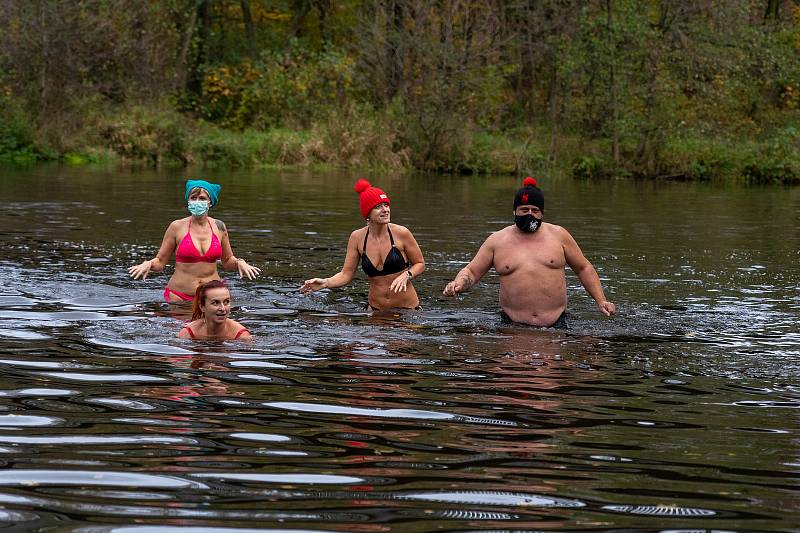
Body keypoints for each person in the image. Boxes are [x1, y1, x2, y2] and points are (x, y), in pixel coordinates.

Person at [443, 177, 615, 327]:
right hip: (511, 324)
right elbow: (472, 271)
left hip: (557, 323)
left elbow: (583, 268)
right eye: (524, 210)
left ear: (542, 213)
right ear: (514, 211)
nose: (530, 215)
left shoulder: (559, 236)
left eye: (535, 210)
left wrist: (601, 300)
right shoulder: (497, 240)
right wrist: (458, 283)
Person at [300, 179, 425, 310]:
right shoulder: (357, 238)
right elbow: (346, 274)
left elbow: (420, 264)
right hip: (376, 310)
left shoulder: (401, 233)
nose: (385, 210)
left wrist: (406, 275)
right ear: (367, 214)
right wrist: (325, 283)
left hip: (408, 311)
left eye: (386, 205)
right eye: (378, 207)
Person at [128, 179, 260, 302]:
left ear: (210, 202)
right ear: (188, 201)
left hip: (212, 298)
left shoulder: (220, 227)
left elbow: (227, 261)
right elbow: (160, 262)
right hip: (179, 297)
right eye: (193, 198)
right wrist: (148, 264)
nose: (197, 201)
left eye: (202, 198)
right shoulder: (176, 226)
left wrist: (239, 263)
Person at [178, 280, 251, 340]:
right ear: (202, 307)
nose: (222, 308)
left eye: (226, 302)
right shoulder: (188, 333)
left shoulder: (241, 336)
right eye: (215, 303)